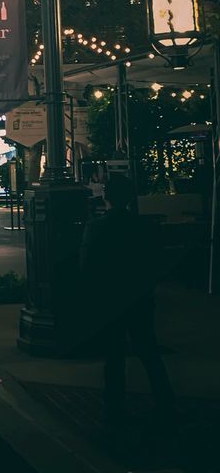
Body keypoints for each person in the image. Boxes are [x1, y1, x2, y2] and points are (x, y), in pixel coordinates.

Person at [80, 173, 174, 422]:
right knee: (149, 352)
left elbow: (87, 266)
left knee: (113, 357)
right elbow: (157, 262)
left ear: (106, 197)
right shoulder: (144, 227)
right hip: (140, 297)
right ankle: (165, 402)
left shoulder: (97, 227)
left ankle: (114, 408)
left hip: (111, 299)